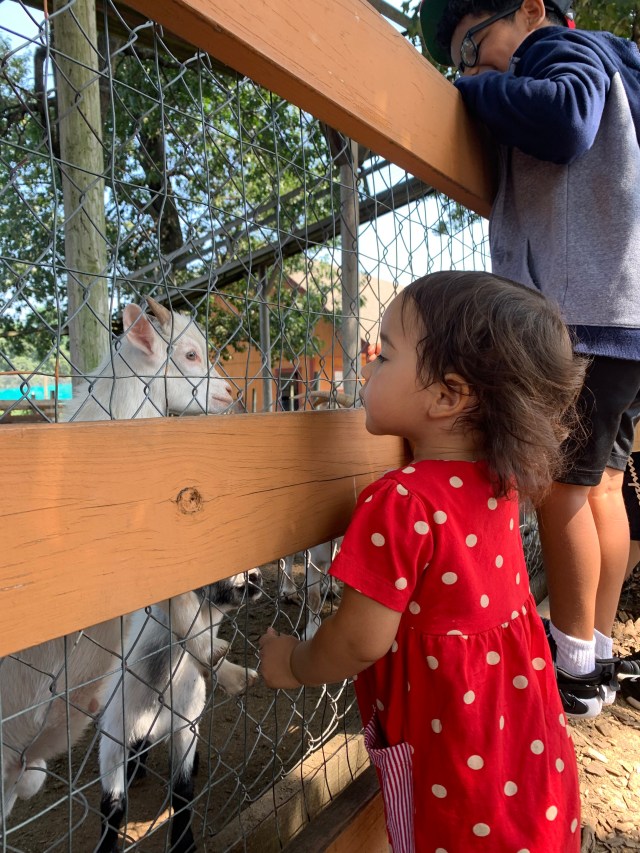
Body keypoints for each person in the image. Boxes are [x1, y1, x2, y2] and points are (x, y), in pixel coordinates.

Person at [259, 271, 585, 853]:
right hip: (517, 735)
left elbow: (360, 640)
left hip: (449, 755)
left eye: (384, 355)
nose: (367, 368)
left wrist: (295, 664)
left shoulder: (401, 502)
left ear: (446, 397)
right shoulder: (498, 482)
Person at [419, 0, 640, 718]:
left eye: (473, 46)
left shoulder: (558, 52)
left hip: (580, 318)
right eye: (461, 62)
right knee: (602, 487)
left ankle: (571, 666)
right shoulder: (616, 71)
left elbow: (567, 121)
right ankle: (596, 650)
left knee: (557, 489)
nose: (472, 67)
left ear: (533, 9)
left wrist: (476, 90)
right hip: (622, 322)